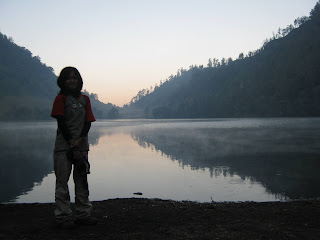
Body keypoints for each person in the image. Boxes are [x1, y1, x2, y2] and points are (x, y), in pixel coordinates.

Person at [51, 66, 97, 229]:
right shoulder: (61, 99)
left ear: (79, 81)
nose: (72, 80)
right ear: (62, 81)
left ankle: (83, 214)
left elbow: (88, 122)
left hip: (82, 147)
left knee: (81, 180)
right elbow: (61, 122)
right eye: (68, 78)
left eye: (75, 78)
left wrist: (80, 139)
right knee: (62, 181)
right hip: (63, 146)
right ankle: (63, 216)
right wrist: (71, 140)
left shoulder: (85, 99)